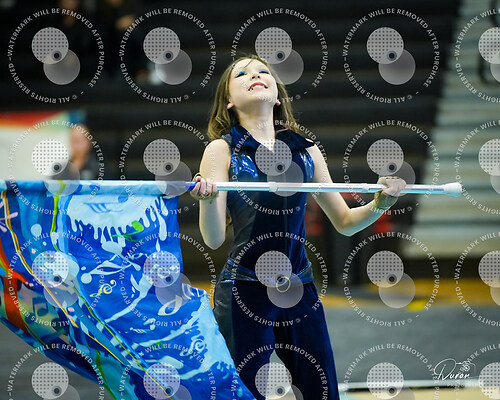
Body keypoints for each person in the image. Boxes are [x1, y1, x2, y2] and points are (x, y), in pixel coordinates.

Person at [190, 55, 405, 400]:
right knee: (243, 394)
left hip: (298, 288)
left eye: (263, 71)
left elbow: (346, 222)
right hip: (244, 289)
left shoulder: (307, 151)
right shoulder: (221, 150)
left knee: (321, 390)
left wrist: (380, 203)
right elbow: (213, 239)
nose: (255, 75)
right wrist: (206, 199)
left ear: (277, 95)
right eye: (242, 74)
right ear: (228, 101)